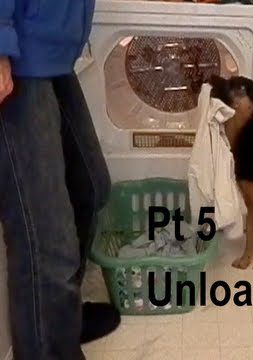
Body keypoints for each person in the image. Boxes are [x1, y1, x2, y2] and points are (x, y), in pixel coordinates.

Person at [0, 1, 121, 359]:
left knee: (91, 186)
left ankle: (58, 320)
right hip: (20, 52)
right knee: (47, 236)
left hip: (48, 49)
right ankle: (48, 347)